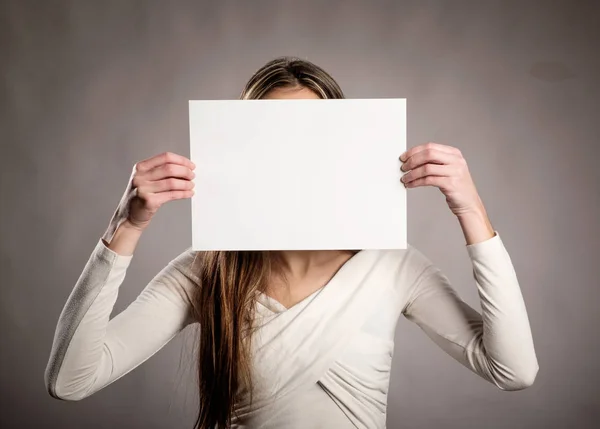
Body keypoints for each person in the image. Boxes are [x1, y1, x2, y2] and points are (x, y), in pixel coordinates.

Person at [44, 56, 539, 429]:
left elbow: (513, 370)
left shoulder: (392, 264)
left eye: (314, 138)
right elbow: (71, 380)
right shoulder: (207, 270)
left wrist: (471, 210)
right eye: (272, 138)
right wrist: (123, 228)